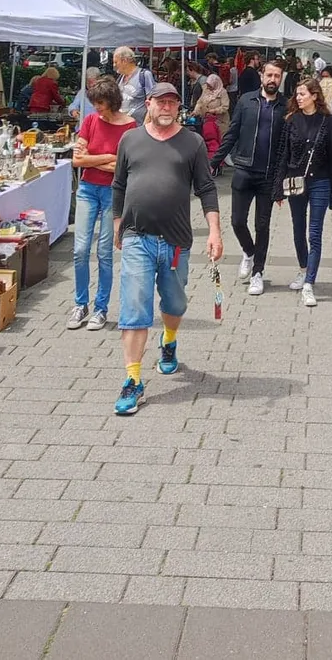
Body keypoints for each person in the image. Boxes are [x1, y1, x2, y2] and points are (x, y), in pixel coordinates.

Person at [111, 83, 222, 416]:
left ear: (178, 108)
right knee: (134, 308)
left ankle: (169, 341)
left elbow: (206, 188)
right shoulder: (130, 140)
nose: (166, 108)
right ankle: (133, 381)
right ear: (148, 103)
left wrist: (214, 231)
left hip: (175, 241)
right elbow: (118, 184)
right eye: (161, 102)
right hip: (136, 237)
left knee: (175, 302)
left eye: (172, 103)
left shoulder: (192, 143)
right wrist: (118, 223)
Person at [210, 59, 286, 294]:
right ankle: (249, 251)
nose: (273, 79)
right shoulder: (246, 101)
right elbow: (232, 134)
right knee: (236, 221)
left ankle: (258, 273)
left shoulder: (285, 106)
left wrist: (283, 179)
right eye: (269, 75)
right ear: (262, 76)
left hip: (268, 175)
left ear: (281, 79)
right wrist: (214, 161)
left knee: (262, 226)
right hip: (244, 169)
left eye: (277, 76)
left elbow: (287, 146)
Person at [68, 76, 137, 332]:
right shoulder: (89, 121)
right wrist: (109, 158)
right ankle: (80, 303)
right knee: (80, 249)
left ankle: (101, 308)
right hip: (87, 188)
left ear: (112, 101)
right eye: (95, 103)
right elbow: (77, 161)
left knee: (105, 252)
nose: (97, 108)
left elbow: (124, 167)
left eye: (101, 103)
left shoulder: (130, 127)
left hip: (113, 192)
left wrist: (92, 158)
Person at [275, 78, 332, 306]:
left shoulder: (327, 121)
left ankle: (309, 284)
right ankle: (304, 268)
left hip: (320, 181)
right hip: (295, 181)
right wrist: (278, 188)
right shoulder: (291, 120)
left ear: (315, 96)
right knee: (297, 229)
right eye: (297, 94)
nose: (298, 98)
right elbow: (283, 155)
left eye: (302, 93)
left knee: (315, 233)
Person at [114, 46, 155, 122]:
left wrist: (145, 126)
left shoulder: (144, 75)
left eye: (116, 62)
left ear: (124, 61)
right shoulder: (120, 78)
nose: (114, 65)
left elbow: (152, 103)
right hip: (122, 126)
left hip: (138, 127)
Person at [195, 73, 231, 137]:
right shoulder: (206, 89)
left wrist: (214, 111)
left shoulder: (223, 92)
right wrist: (196, 111)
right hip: (207, 121)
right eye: (207, 85)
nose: (208, 87)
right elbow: (200, 102)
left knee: (219, 140)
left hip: (220, 122)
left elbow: (225, 107)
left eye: (210, 85)